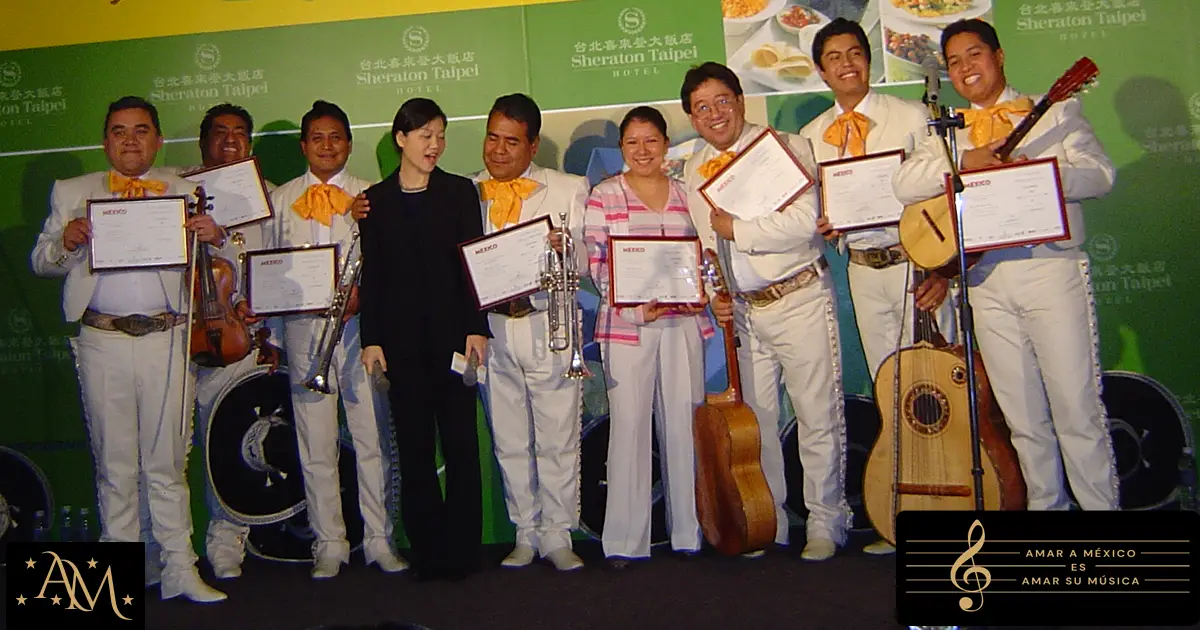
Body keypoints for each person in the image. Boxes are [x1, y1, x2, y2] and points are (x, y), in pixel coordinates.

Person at [892, 19, 1119, 511]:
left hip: (1050, 270)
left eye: (974, 55)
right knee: (1023, 418)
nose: (964, 68)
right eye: (954, 62)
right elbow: (906, 185)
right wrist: (963, 160)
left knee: (1077, 411)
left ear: (998, 57)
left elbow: (1101, 176)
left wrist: (1039, 177)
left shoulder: (1057, 110)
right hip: (985, 280)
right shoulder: (950, 130)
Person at [30, 96, 227, 602]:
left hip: (168, 338)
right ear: (105, 141)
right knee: (114, 462)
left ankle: (179, 567)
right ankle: (120, 573)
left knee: (165, 462)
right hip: (102, 340)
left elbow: (231, 256)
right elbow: (42, 261)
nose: (131, 140)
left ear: (158, 139)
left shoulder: (187, 190)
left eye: (142, 130)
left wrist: (215, 235)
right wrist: (68, 242)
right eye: (120, 131)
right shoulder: (73, 192)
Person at [680, 62, 851, 561]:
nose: (714, 114)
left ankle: (826, 521)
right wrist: (716, 291)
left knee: (818, 415)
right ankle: (769, 520)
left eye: (722, 101)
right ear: (692, 117)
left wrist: (742, 231)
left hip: (799, 297)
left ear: (742, 101)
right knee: (757, 426)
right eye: (701, 108)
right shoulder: (693, 170)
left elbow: (804, 222)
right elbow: (706, 245)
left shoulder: (786, 148)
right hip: (746, 316)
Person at [799, 18, 954, 555]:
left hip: (917, 268)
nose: (847, 64)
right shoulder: (813, 137)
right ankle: (904, 520)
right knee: (894, 394)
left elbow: (943, 192)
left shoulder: (909, 116)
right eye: (834, 57)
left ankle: (953, 517)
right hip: (863, 270)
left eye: (855, 52)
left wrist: (942, 269)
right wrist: (824, 219)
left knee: (938, 392)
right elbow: (817, 207)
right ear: (820, 71)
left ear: (869, 59)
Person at [265, 99, 407, 578]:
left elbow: (391, 266)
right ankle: (329, 543)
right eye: (317, 138)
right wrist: (271, 334)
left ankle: (379, 540)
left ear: (349, 143)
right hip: (305, 335)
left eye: (336, 137)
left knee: (371, 441)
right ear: (304, 146)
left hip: (361, 336)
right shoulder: (281, 199)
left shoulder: (374, 194)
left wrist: (364, 298)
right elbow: (265, 271)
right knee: (316, 445)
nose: (327, 146)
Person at [357, 97, 490, 581]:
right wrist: (371, 338)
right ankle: (429, 552)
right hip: (400, 343)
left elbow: (472, 263)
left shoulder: (459, 192)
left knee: (460, 445)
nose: (434, 146)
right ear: (400, 138)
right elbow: (372, 277)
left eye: (440, 136)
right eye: (424, 136)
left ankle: (463, 551)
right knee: (412, 447)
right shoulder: (376, 200)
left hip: (455, 338)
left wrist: (478, 326)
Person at [582, 106, 713, 569]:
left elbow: (705, 257)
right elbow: (597, 262)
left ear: (665, 146)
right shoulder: (604, 195)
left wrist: (701, 290)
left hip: (684, 324)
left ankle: (688, 533)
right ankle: (624, 541)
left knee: (683, 424)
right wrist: (634, 305)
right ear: (621, 148)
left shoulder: (688, 194)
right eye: (632, 142)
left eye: (651, 141)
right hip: (625, 327)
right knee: (630, 429)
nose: (642, 151)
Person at [475, 93, 589, 572]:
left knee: (558, 434)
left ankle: (558, 532)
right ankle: (525, 530)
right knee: (509, 437)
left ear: (534, 144)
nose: (499, 151)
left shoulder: (569, 188)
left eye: (512, 142)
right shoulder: (466, 191)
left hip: (549, 324)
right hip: (493, 330)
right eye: (493, 138)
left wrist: (568, 249)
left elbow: (589, 265)